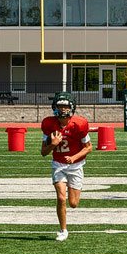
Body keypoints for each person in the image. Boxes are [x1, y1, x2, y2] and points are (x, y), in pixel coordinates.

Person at [40, 92, 91, 241]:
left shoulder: (79, 124)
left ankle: (73, 187)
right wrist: (53, 144)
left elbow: (88, 147)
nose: (62, 109)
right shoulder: (49, 124)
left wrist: (74, 158)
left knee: (73, 203)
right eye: (60, 106)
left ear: (71, 107)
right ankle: (63, 230)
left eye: (65, 106)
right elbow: (43, 152)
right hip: (58, 165)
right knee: (61, 198)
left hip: (76, 165)